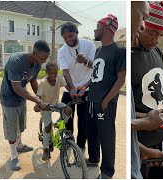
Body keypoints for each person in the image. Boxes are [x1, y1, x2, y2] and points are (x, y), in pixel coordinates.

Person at [131, 1, 163, 178]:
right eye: (152, 32)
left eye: (161, 35)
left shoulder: (157, 51)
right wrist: (147, 119)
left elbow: (161, 92)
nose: (156, 40)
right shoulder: (128, 57)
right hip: (142, 145)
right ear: (141, 24)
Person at [0, 40, 50, 170]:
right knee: (12, 127)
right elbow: (16, 88)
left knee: (21, 124)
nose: (44, 61)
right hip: (9, 98)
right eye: (42, 58)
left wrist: (39, 96)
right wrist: (37, 101)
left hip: (21, 98)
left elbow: (33, 81)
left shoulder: (37, 64)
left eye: (46, 58)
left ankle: (19, 145)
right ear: (33, 53)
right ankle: (13, 155)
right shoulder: (16, 61)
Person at [89, 14, 126, 179]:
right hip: (92, 99)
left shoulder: (119, 51)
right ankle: (94, 160)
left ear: (106, 28)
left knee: (107, 137)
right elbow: (97, 74)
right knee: (94, 133)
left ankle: (107, 172)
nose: (95, 29)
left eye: (97, 26)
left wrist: (106, 100)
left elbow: (121, 79)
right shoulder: (98, 50)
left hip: (105, 103)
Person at [57, 22, 99, 166]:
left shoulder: (89, 45)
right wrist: (73, 89)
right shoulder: (62, 51)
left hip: (86, 89)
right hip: (71, 89)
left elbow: (96, 67)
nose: (68, 39)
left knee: (84, 121)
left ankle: (80, 147)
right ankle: (69, 142)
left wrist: (85, 61)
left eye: (71, 35)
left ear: (76, 33)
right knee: (66, 116)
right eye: (65, 37)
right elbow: (66, 72)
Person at [34, 62, 72, 160]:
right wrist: (38, 104)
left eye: (55, 73)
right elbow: (38, 96)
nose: (53, 75)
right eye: (51, 73)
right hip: (46, 106)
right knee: (48, 128)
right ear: (46, 72)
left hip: (55, 104)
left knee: (68, 110)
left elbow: (67, 86)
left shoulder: (59, 78)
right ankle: (45, 149)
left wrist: (75, 94)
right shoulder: (43, 83)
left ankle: (58, 124)